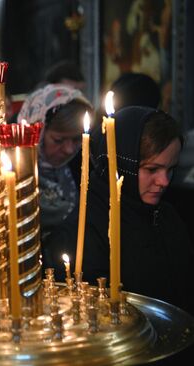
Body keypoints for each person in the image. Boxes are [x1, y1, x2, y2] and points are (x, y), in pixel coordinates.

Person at [44, 107, 194, 314]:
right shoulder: (82, 232)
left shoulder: (167, 215)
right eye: (152, 169)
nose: (164, 182)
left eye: (171, 169)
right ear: (122, 164)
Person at [17, 84, 93, 238]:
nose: (69, 150)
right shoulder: (14, 172)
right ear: (37, 131)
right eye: (58, 140)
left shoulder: (83, 165)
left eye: (77, 139)